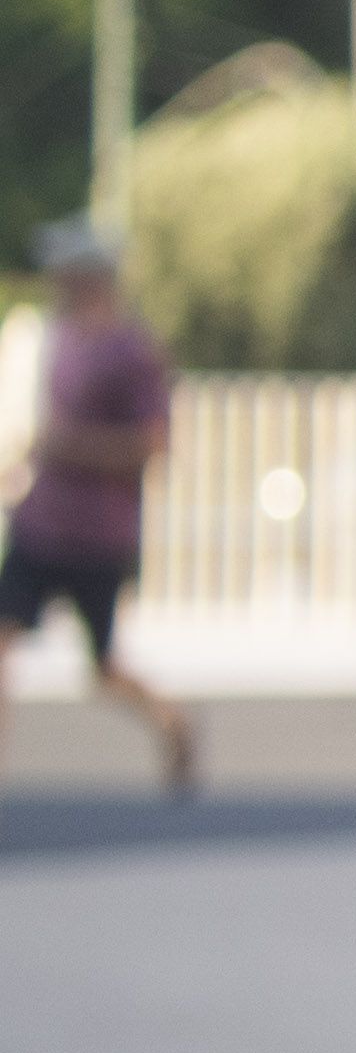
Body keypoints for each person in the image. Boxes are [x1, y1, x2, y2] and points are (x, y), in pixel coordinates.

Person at [3, 224, 202, 803]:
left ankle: (170, 720)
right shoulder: (59, 339)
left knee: (104, 669)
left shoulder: (133, 353)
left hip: (97, 533)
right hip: (41, 524)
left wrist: (71, 447)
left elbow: (151, 444)